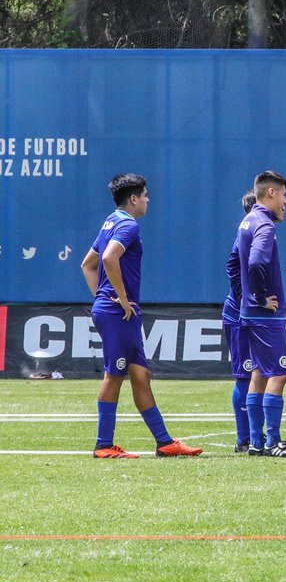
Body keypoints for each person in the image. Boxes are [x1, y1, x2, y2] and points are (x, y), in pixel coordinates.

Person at [81, 173, 202, 458]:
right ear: (134, 198)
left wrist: (103, 297)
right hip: (119, 313)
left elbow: (88, 265)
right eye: (146, 195)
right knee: (114, 375)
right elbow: (108, 258)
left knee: (140, 374)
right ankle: (103, 446)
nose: (148, 200)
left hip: (118, 312)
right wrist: (120, 299)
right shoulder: (128, 225)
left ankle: (165, 442)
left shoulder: (110, 222)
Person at [234, 170, 286, 457]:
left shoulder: (247, 220)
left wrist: (246, 299)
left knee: (259, 373)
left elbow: (233, 264)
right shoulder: (264, 224)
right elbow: (256, 262)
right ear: (271, 192)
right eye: (284, 194)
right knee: (279, 373)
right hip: (264, 316)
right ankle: (273, 442)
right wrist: (261, 298)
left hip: (250, 313)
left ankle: (256, 442)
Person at [223, 191, 256, 452]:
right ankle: (244, 439)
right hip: (239, 315)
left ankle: (254, 434)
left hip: (250, 315)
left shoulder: (257, 233)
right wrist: (246, 298)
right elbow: (233, 267)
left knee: (256, 374)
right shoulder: (246, 235)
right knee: (244, 375)